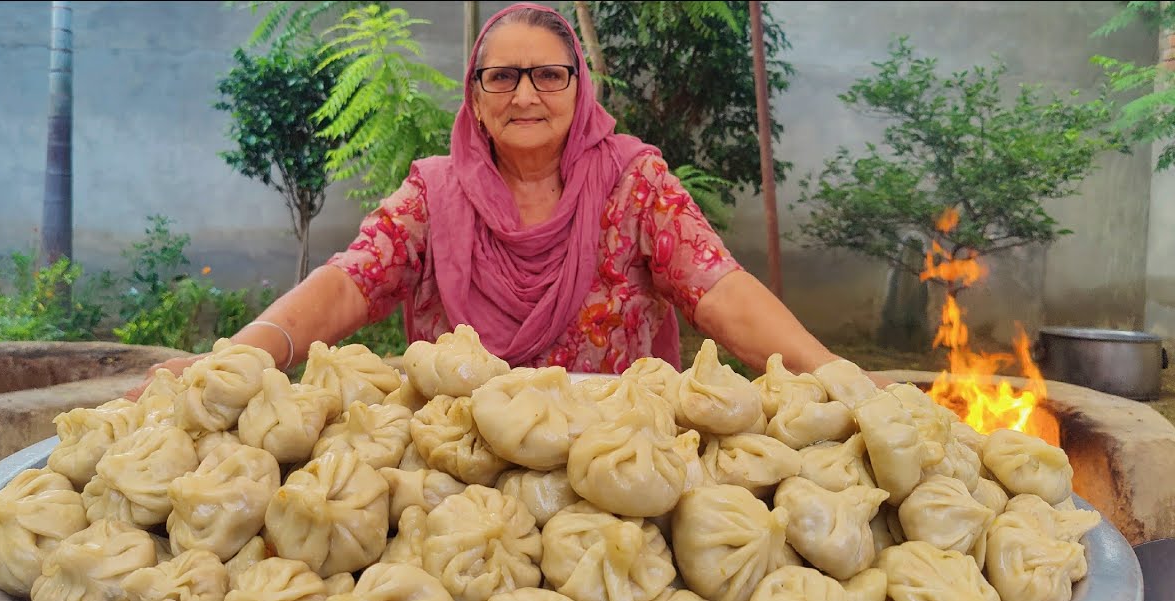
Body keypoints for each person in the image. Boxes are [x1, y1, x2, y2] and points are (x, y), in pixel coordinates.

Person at [127, 2, 868, 400]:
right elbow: (349, 282)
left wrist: (833, 375)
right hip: (458, 473)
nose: (525, 95)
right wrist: (234, 360)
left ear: (579, 89)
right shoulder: (433, 194)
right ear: (475, 99)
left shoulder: (634, 183)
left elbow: (719, 289)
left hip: (616, 471)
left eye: (548, 75)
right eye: (502, 77)